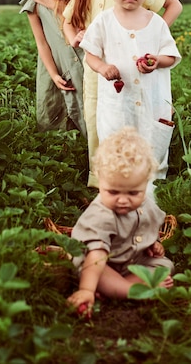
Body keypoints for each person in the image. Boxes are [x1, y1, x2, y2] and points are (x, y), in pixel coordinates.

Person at [63, 0, 182, 186]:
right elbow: (68, 20)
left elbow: (173, 5)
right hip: (100, 65)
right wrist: (74, 39)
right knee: (100, 118)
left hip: (135, 62)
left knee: (140, 114)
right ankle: (103, 177)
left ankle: (145, 175)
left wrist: (152, 33)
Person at [67, 126, 174, 315]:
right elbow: (97, 256)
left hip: (131, 260)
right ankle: (131, 291)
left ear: (145, 184)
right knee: (91, 268)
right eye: (113, 192)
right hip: (100, 264)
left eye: (134, 192)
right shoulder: (101, 214)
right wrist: (86, 289)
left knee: (164, 266)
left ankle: (117, 290)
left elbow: (146, 228)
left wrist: (153, 244)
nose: (123, 200)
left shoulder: (146, 205)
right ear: (100, 181)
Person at [11, 0, 86, 136]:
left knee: (92, 101)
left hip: (86, 54)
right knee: (67, 105)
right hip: (61, 61)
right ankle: (73, 150)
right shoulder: (32, 4)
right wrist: (53, 73)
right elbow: (42, 44)